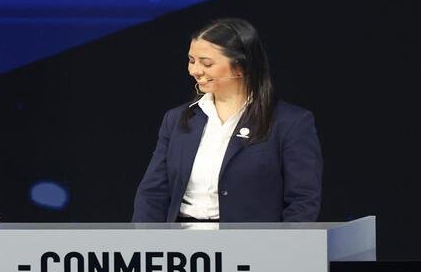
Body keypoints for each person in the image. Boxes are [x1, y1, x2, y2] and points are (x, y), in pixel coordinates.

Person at [132, 17, 321, 223]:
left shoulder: (289, 123)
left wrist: (285, 243)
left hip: (252, 241)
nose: (195, 71)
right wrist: (144, 239)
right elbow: (153, 193)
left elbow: (302, 201)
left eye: (207, 63)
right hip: (183, 240)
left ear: (241, 67)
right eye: (191, 60)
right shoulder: (176, 119)